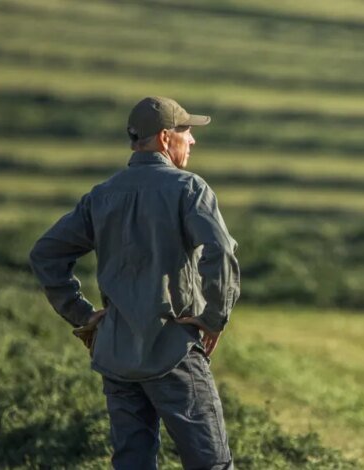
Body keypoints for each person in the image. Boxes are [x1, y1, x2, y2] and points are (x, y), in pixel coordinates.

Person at [29, 96, 240, 469]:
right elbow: (219, 250)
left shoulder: (102, 195)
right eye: (186, 131)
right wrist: (213, 317)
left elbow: (45, 254)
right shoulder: (189, 188)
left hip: (116, 355)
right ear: (163, 137)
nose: (192, 141)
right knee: (212, 463)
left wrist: (82, 315)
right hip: (171, 348)